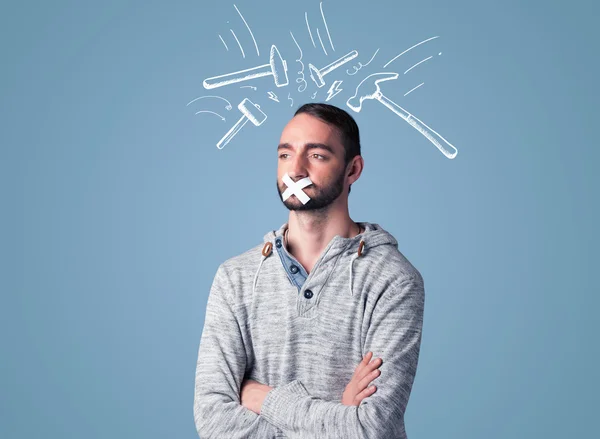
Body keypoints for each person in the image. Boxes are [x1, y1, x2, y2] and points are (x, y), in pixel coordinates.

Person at [193, 103, 425, 438]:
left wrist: (264, 398)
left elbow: (370, 428)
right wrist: (337, 418)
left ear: (353, 170)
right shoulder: (236, 277)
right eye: (285, 155)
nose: (295, 170)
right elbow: (214, 421)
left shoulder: (393, 280)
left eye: (316, 155)